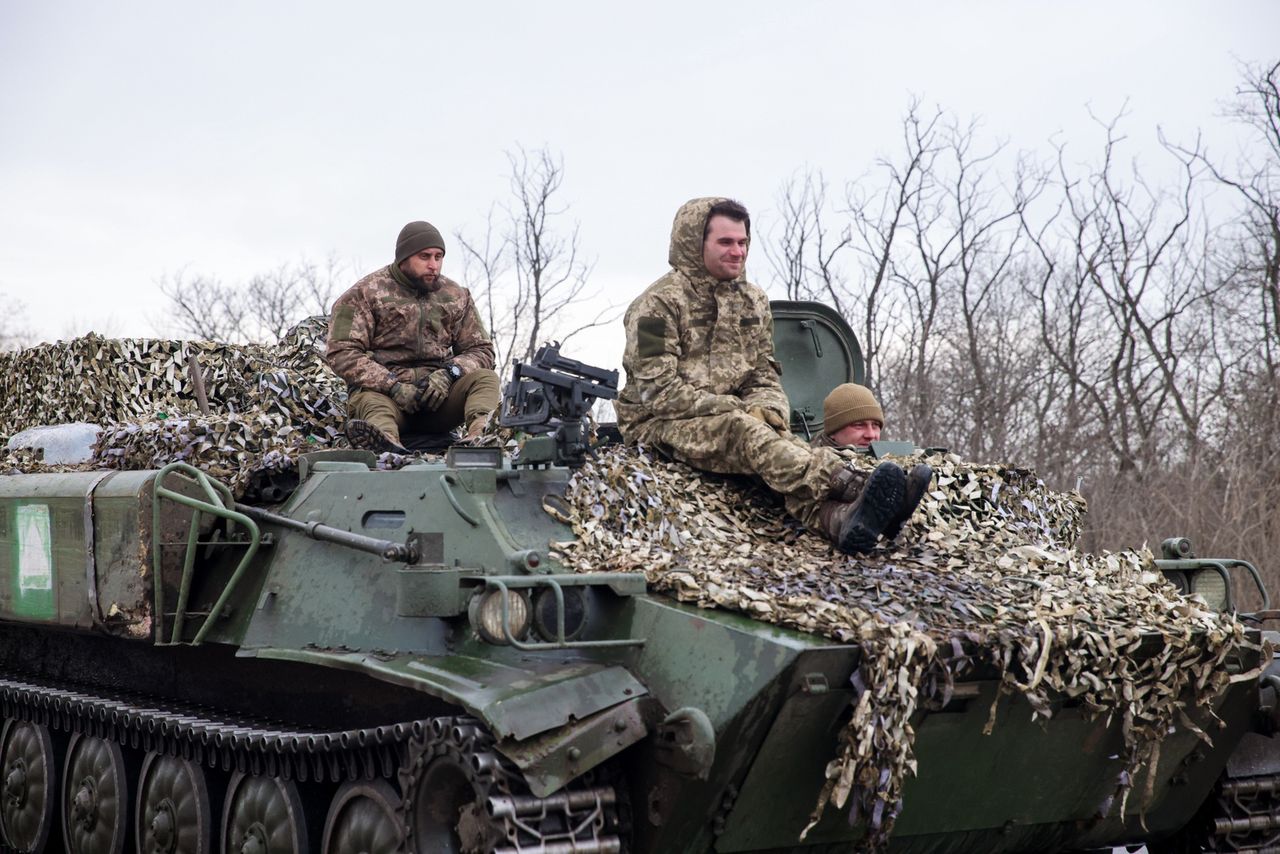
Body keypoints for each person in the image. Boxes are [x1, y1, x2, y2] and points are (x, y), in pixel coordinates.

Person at [616, 197, 927, 555]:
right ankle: (853, 485)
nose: (737, 251)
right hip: (657, 424)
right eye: (726, 242)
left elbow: (763, 372)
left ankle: (841, 520)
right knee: (744, 432)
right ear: (694, 243)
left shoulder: (753, 302)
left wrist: (770, 410)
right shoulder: (654, 308)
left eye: (743, 242)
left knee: (782, 443)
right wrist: (738, 409)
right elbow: (659, 392)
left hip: (731, 417)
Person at [326, 221, 500, 453]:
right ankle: (387, 448)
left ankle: (479, 439)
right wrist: (393, 386)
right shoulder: (363, 294)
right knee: (372, 403)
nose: (433, 265)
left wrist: (450, 374)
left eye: (438, 257)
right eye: (425, 257)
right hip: (387, 398)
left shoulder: (456, 296)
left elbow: (481, 349)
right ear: (404, 258)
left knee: (485, 379)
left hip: (438, 400)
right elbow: (341, 352)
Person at [813, 382, 931, 538]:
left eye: (875, 426)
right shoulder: (811, 459)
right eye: (858, 425)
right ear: (833, 432)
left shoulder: (891, 457)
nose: (871, 434)